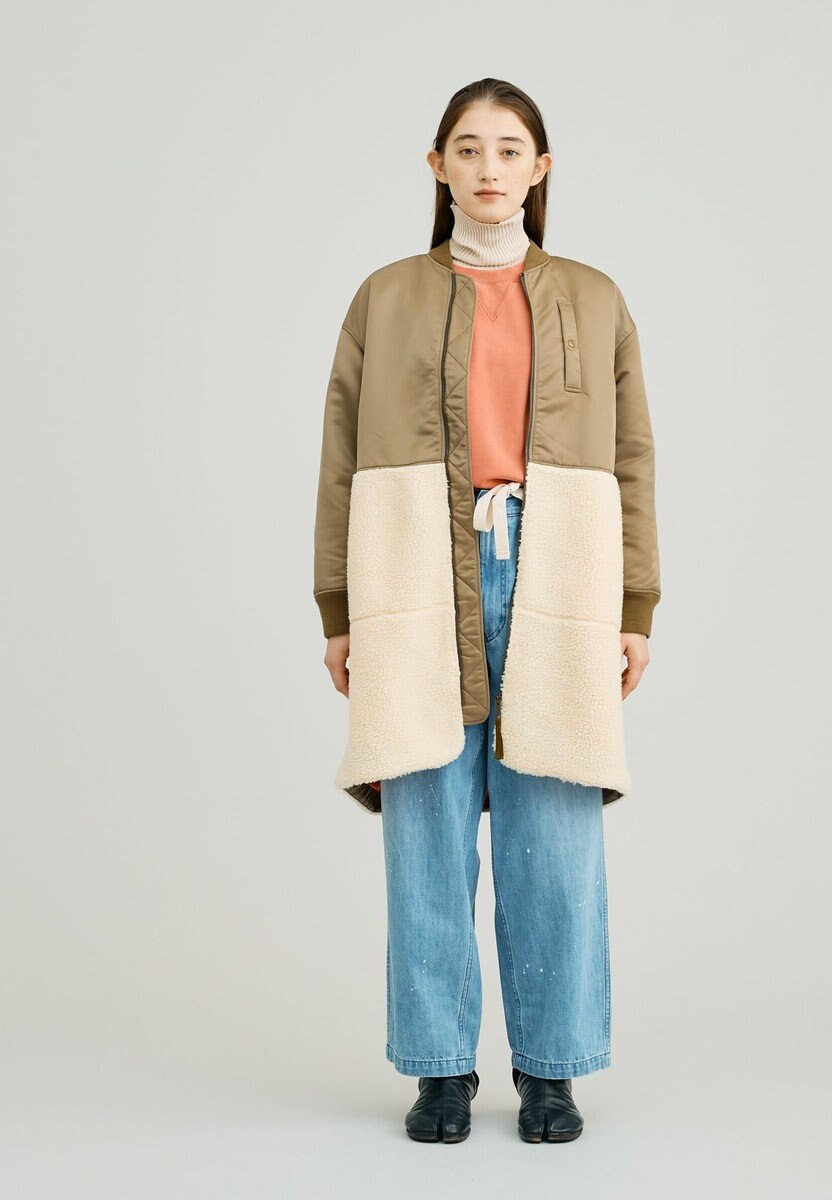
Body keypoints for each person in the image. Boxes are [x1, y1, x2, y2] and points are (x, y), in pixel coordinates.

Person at [313, 78, 660, 1143]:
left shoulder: (593, 297)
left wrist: (634, 603)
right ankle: (439, 1071)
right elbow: (340, 457)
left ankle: (552, 1070)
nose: (489, 167)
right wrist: (338, 607)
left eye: (510, 149)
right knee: (424, 834)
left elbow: (632, 458)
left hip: (558, 575)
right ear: (438, 167)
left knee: (553, 840)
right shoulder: (384, 298)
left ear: (540, 168)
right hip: (412, 575)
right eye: (468, 148)